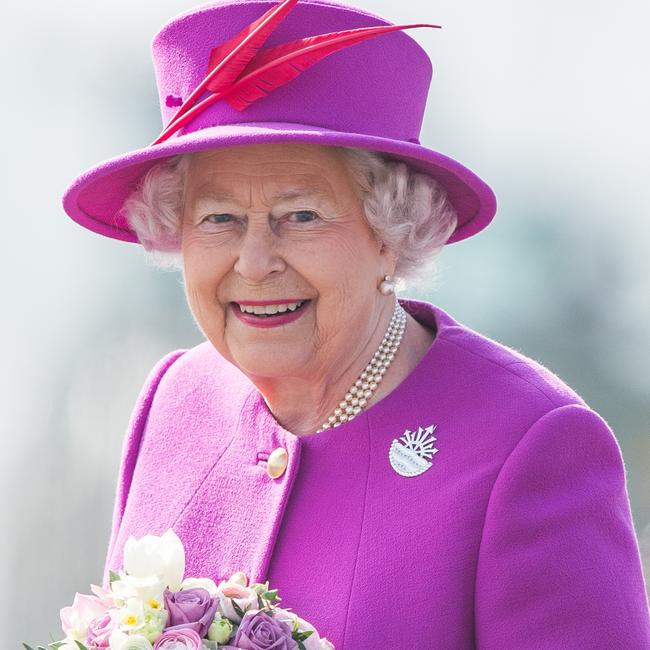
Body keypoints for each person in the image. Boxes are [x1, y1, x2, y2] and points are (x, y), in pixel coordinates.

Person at [62, 0, 650, 647]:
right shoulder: (173, 403)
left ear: (392, 232)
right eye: (218, 218)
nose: (254, 263)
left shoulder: (531, 447)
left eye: (302, 216)